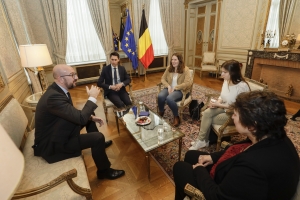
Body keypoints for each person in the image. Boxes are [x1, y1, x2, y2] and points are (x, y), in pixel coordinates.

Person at [173, 91, 300, 200]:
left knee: (179, 167)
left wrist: (199, 170)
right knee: (190, 155)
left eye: (235, 114)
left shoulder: (252, 167)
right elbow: (238, 149)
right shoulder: (272, 136)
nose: (232, 117)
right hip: (241, 181)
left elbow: (218, 196)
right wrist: (213, 157)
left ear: (252, 126)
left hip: (225, 189)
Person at [33, 64, 125, 180]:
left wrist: (91, 118)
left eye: (75, 74)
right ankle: (104, 171)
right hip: (54, 145)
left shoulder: (58, 90)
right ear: (61, 78)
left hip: (58, 130)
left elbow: (69, 112)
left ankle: (98, 146)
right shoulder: (53, 97)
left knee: (89, 116)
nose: (76, 77)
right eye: (72, 75)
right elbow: (80, 118)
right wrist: (92, 97)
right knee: (98, 137)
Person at [189, 60, 250, 150]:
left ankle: (204, 140)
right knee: (206, 113)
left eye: (224, 72)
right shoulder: (226, 81)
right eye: (222, 71)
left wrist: (220, 105)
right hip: (224, 107)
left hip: (235, 114)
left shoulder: (242, 87)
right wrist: (217, 103)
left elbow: (240, 107)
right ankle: (201, 140)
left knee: (209, 119)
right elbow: (222, 96)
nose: (222, 74)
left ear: (233, 72)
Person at [158, 53, 192, 127]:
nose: (173, 61)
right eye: (172, 59)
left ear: (179, 60)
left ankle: (176, 116)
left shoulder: (185, 69)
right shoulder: (169, 68)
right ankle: (161, 111)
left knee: (169, 99)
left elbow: (187, 83)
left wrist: (176, 87)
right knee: (160, 96)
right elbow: (163, 79)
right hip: (169, 88)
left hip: (180, 90)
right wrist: (168, 86)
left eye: (175, 60)